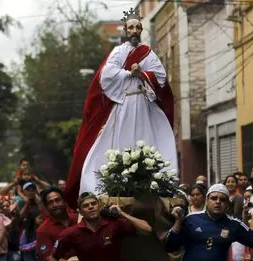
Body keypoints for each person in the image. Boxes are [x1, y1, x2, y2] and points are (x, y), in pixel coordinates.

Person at [65, 8, 176, 205]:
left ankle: (150, 179)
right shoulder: (118, 51)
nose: (134, 30)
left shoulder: (147, 53)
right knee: (117, 141)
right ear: (125, 30)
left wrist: (142, 73)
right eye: (130, 27)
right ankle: (114, 180)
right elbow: (107, 74)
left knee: (146, 139)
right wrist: (128, 73)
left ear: (141, 29)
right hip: (124, 104)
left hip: (143, 104)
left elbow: (160, 75)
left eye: (137, 27)